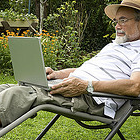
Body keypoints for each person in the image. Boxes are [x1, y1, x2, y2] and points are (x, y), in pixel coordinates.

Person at [1, 0, 140, 127]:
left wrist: (87, 86)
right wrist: (57, 74)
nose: (116, 26)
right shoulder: (113, 46)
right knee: (4, 88)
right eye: (116, 21)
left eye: (123, 20)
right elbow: (84, 69)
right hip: (74, 87)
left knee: (19, 94)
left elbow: (135, 86)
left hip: (93, 99)